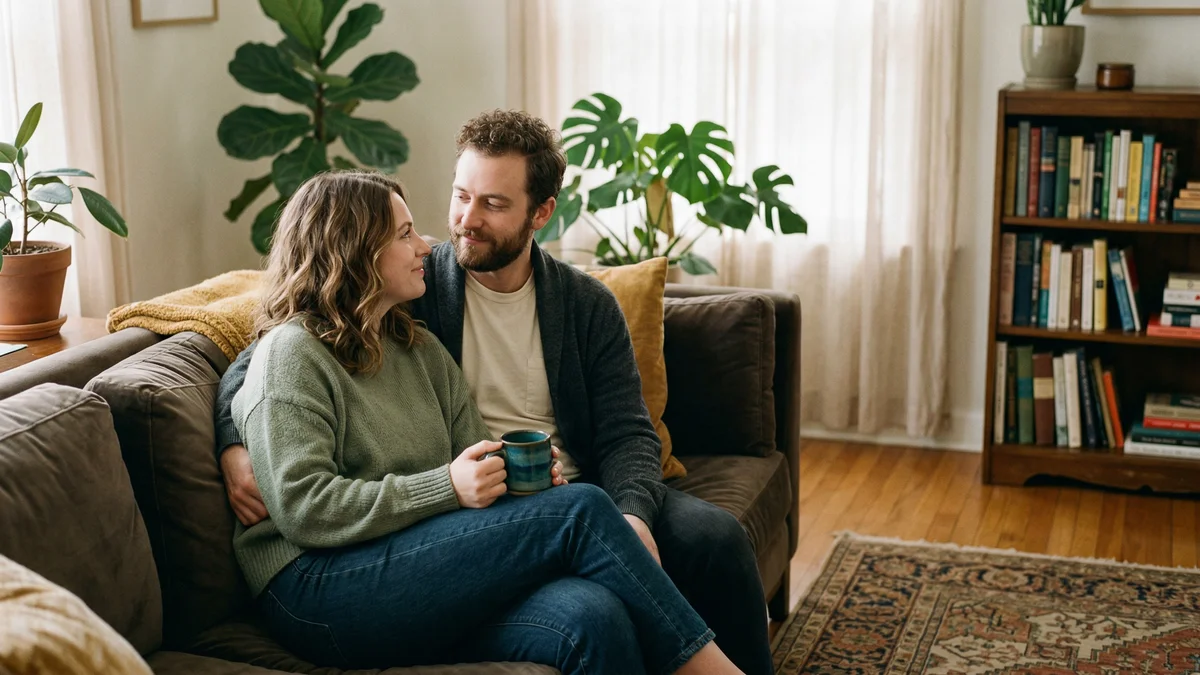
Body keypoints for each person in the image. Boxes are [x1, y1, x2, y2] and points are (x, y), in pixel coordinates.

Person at [216, 111, 774, 675]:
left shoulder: (436, 334)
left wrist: (630, 516)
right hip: (378, 549)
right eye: (460, 197)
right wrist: (234, 444)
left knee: (641, 583)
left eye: (494, 204)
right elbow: (261, 361)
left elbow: (627, 432)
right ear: (357, 251)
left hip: (501, 504)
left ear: (541, 213)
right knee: (581, 514)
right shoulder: (411, 292)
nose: (460, 223)